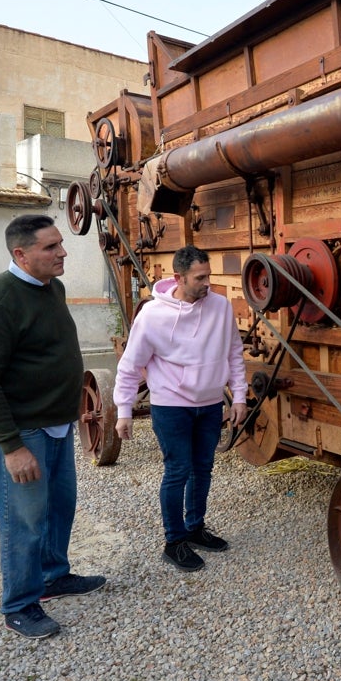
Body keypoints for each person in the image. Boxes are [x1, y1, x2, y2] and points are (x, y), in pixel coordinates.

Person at [0, 214, 106, 639]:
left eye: (61, 243)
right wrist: (11, 446)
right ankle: (19, 604)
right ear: (21, 254)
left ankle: (53, 576)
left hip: (59, 423)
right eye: (51, 247)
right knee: (23, 519)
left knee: (59, 507)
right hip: (25, 431)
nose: (63, 253)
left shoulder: (53, 287)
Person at [114, 245, 249, 572]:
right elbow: (131, 366)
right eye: (200, 278)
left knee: (203, 469)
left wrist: (240, 396)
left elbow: (234, 352)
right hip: (171, 406)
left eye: (209, 276)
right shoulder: (152, 316)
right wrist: (123, 410)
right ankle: (174, 541)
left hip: (210, 404)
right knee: (178, 471)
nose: (208, 283)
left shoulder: (219, 306)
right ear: (178, 278)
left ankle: (195, 527)